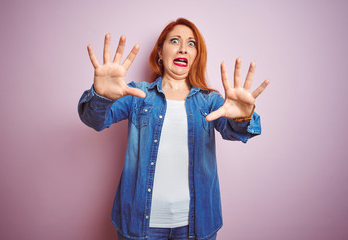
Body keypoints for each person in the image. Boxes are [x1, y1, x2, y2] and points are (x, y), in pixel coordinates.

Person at [78, 18, 269, 240]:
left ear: (196, 55)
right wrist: (101, 96)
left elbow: (238, 131)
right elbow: (94, 120)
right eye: (175, 41)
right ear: (160, 52)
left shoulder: (210, 101)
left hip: (197, 227)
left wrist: (243, 116)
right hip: (139, 225)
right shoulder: (137, 94)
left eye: (191, 43)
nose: (182, 49)